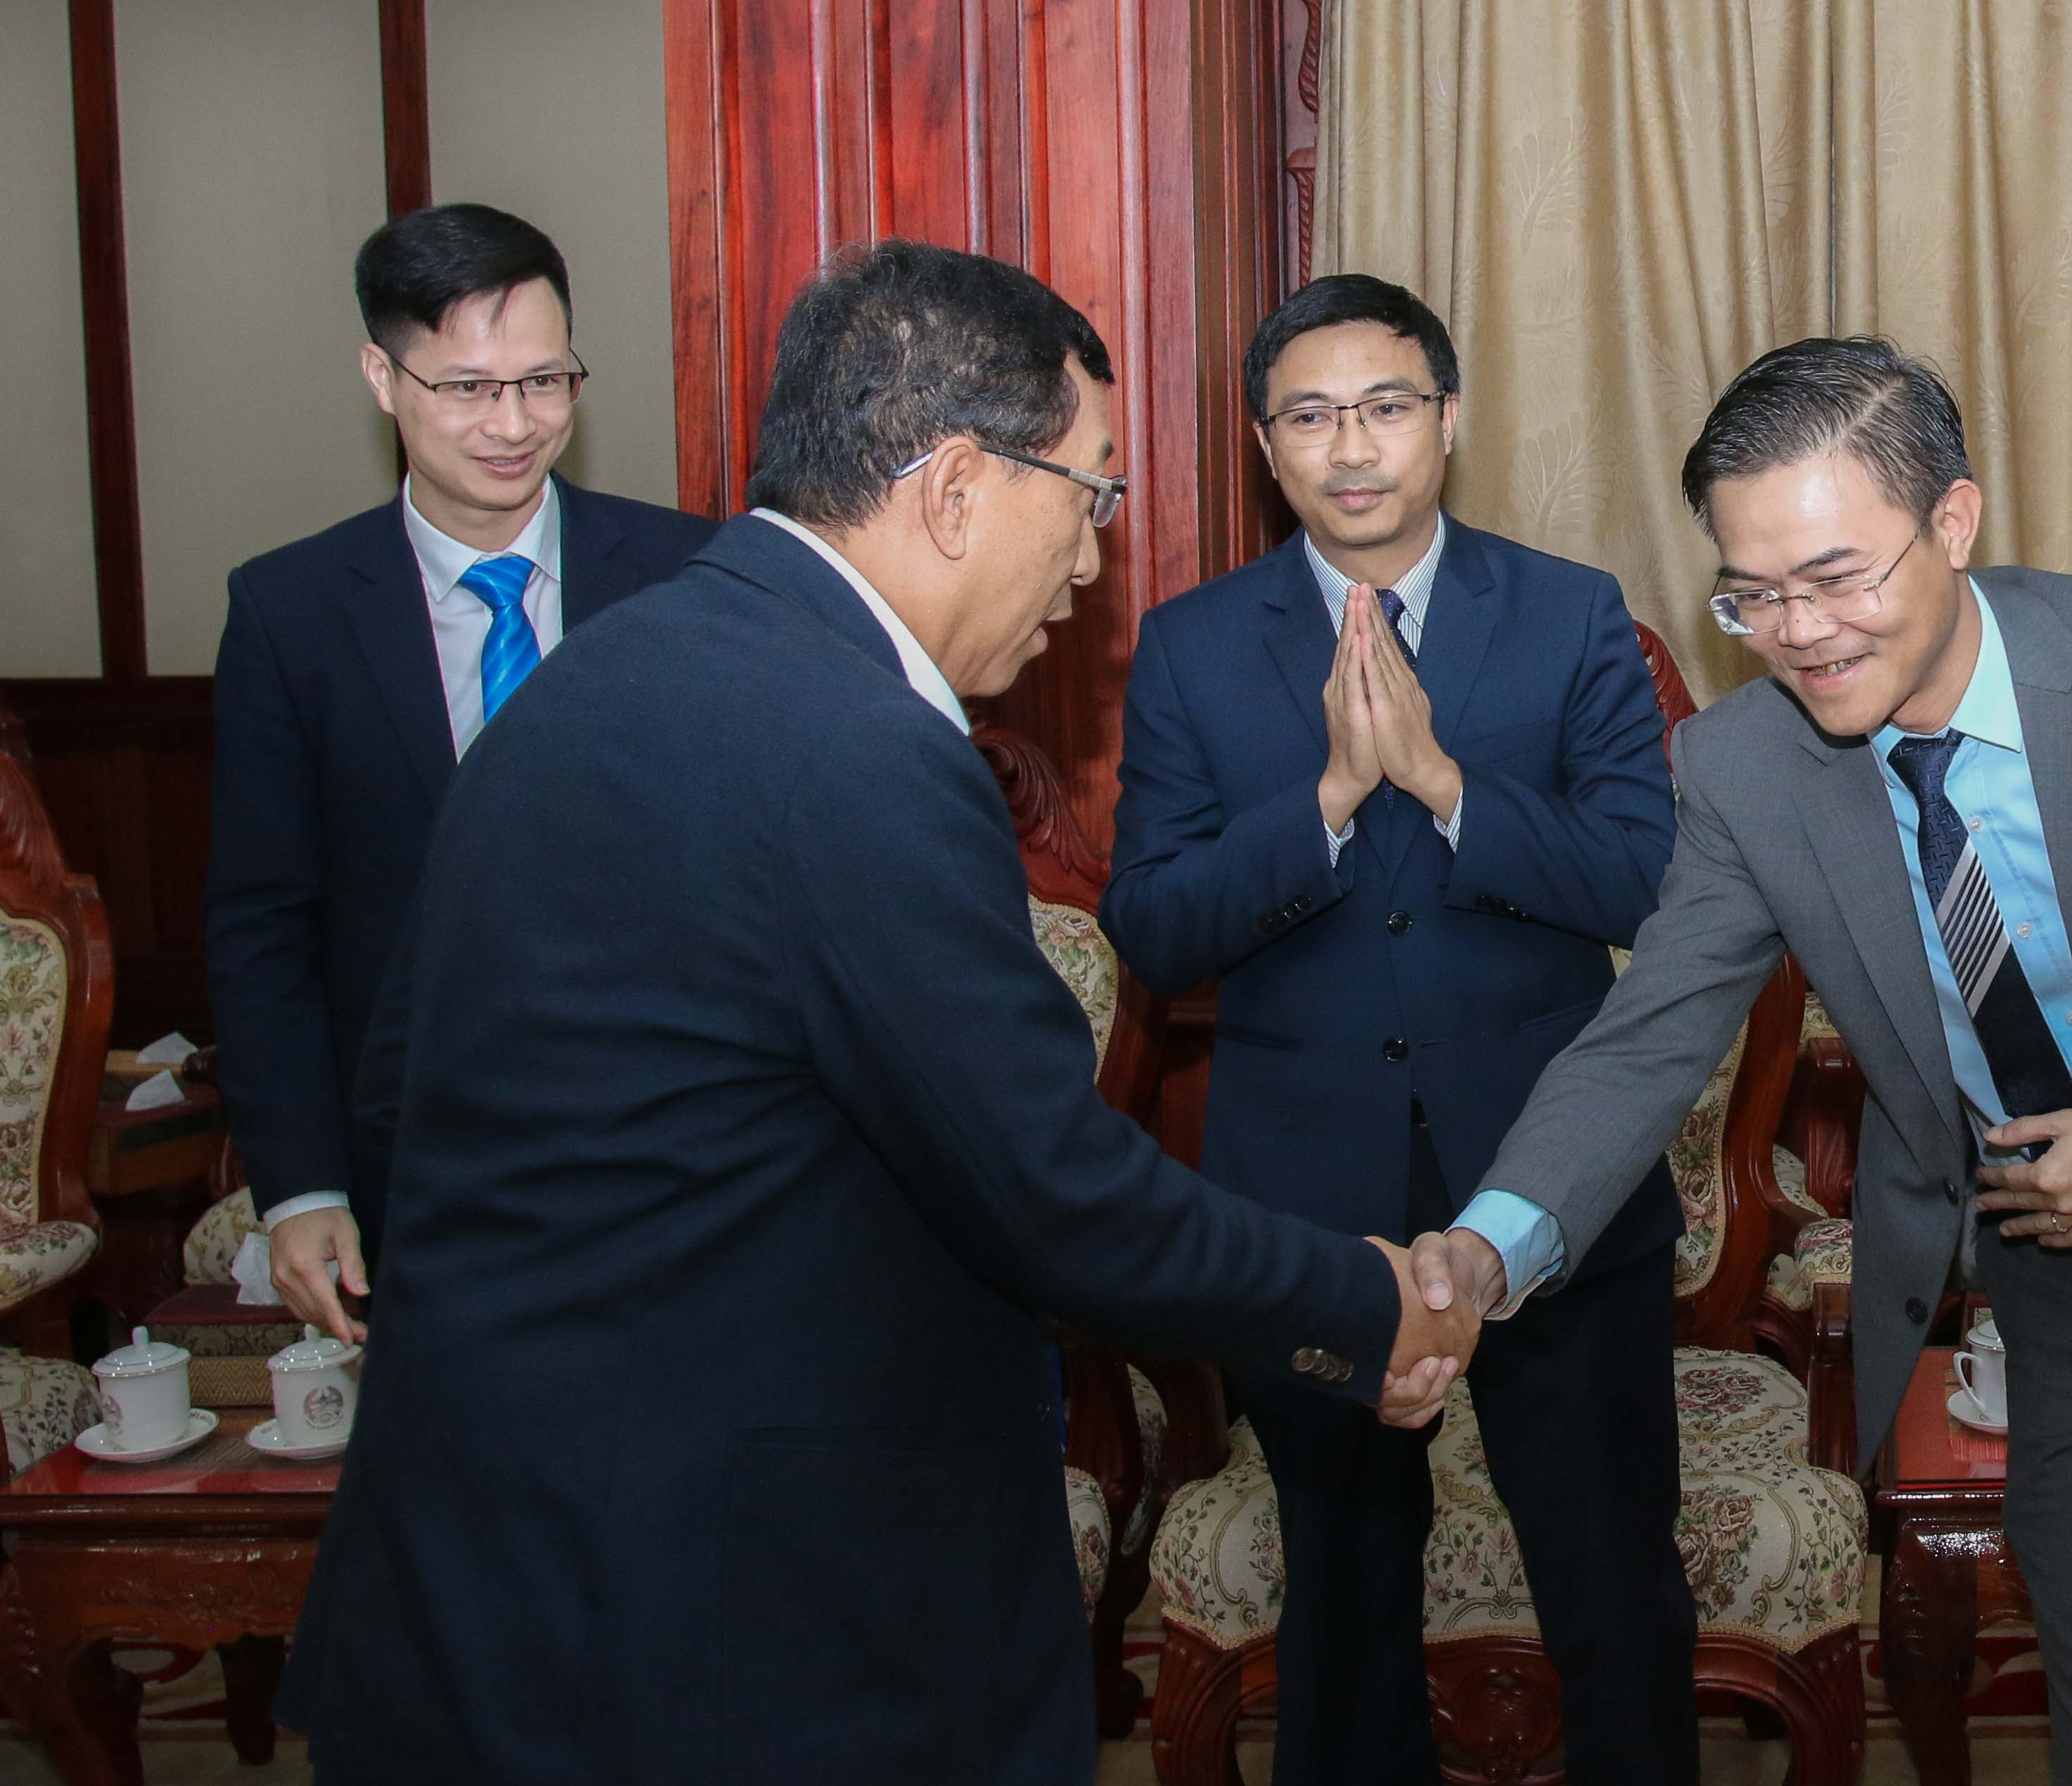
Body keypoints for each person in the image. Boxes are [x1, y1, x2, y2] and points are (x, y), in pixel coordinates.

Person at [282, 242, 1476, 1786]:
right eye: (1093, 496)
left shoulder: (589, 680)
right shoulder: (856, 750)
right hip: (724, 1623)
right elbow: (1052, 1188)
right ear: (959, 486)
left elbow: (398, 1098)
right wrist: (1367, 1303)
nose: (1093, 561)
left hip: (487, 1578)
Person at [1414, 337, 2072, 1786]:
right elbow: (1647, 1035)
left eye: (1838, 576)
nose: (1800, 632)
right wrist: (1487, 1245)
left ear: (1953, 520)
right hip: (2066, 1302)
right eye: (1753, 592)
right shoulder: (1745, 770)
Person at [1101, 272, 1694, 1782]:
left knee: (1614, 1585)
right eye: (1310, 415)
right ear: (1264, 442)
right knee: (1346, 1605)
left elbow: (1648, 877)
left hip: (1552, 1176)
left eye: (1385, 406)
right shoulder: (1191, 643)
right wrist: (1325, 800)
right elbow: (1154, 927)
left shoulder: (1568, 613)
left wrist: (1442, 785)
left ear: (1449, 418)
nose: (1351, 445)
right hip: (1312, 1200)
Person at [203, 202, 715, 1340]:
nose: (515, 424)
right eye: (470, 387)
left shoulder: (689, 574)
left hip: (670, 1158)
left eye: (546, 381)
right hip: (417, 1170)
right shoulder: (291, 614)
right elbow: (261, 927)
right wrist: (301, 1183)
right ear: (383, 379)